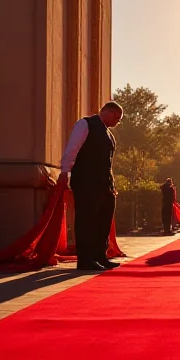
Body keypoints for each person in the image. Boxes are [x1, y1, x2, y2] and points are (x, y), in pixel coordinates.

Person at [60, 101, 123, 271]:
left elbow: (107, 163)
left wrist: (111, 184)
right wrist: (65, 171)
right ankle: (86, 259)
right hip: (86, 182)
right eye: (116, 117)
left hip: (105, 185)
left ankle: (100, 256)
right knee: (87, 220)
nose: (117, 122)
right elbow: (72, 149)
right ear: (108, 112)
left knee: (103, 220)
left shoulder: (109, 135)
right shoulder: (85, 124)